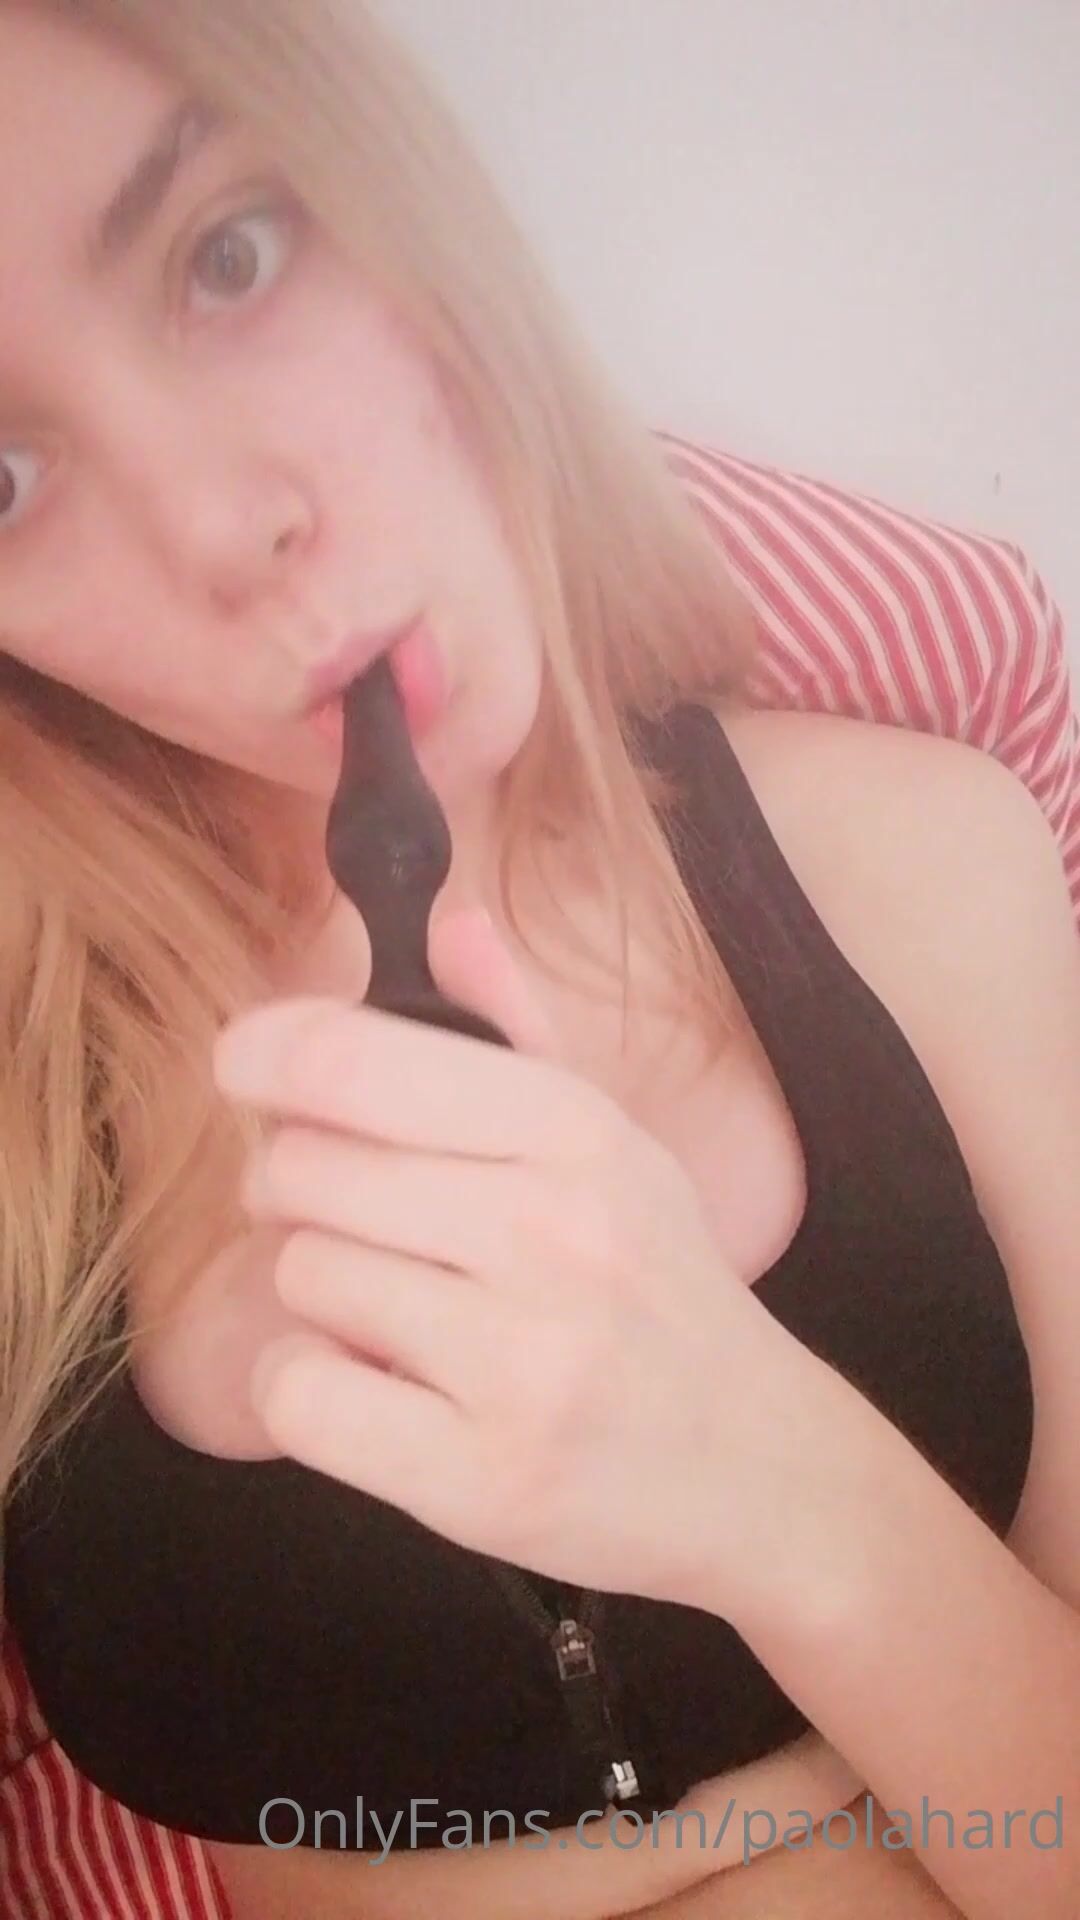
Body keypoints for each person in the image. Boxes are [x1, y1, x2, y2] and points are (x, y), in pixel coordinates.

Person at [0, 4, 1077, 1920]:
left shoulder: (921, 860)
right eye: (2, 478)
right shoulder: (25, 1101)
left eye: (226, 255)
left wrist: (770, 1474)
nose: (232, 527)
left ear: (396, 192)